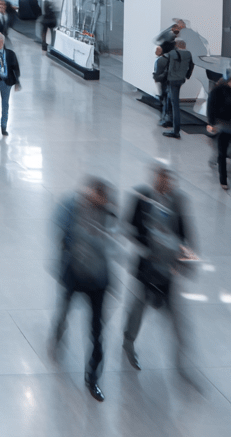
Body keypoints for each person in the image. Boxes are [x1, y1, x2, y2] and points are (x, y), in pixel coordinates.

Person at [121, 164, 198, 384]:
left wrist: (187, 261)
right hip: (147, 268)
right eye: (160, 179)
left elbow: (185, 233)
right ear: (154, 180)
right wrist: (147, 244)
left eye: (167, 179)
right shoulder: (141, 197)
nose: (164, 183)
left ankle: (181, 360)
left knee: (177, 318)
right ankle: (128, 342)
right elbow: (128, 225)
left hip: (168, 271)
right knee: (137, 309)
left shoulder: (178, 201)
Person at [48, 177, 115, 402]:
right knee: (64, 310)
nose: (101, 201)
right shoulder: (72, 206)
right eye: (98, 196)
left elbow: (112, 242)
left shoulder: (108, 214)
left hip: (97, 282)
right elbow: (61, 229)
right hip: (75, 275)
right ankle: (57, 335)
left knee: (97, 332)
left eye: (104, 198)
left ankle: (92, 378)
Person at [159, 39, 194, 138]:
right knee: (170, 99)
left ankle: (176, 131)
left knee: (175, 105)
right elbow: (191, 65)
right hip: (180, 80)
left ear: (176, 45)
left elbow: (165, 65)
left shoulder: (172, 53)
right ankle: (167, 120)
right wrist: (187, 75)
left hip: (172, 80)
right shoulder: (188, 54)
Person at [206, 71, 231, 190]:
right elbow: (211, 106)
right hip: (222, 126)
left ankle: (214, 161)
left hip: (226, 126)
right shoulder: (218, 91)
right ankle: (223, 180)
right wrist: (212, 123)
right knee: (222, 153)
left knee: (221, 151)